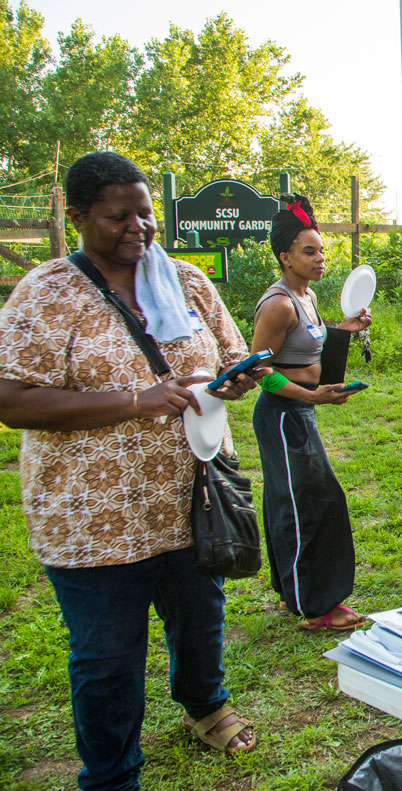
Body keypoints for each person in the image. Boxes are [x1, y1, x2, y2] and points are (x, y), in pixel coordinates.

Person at [0, 151, 260, 788]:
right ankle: (113, 776)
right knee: (107, 656)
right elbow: (11, 399)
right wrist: (135, 401)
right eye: (118, 218)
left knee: (200, 621)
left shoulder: (188, 281)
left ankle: (205, 706)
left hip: (191, 495)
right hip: (94, 520)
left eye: (145, 214)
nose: (137, 229)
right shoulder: (49, 292)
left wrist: (235, 379)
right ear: (80, 216)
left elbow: (228, 357)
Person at [250, 195, 372, 631]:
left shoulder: (308, 296)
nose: (320, 258)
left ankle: (294, 593)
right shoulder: (279, 304)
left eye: (321, 250)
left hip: (299, 412)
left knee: (292, 501)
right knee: (309, 504)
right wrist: (309, 398)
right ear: (285, 257)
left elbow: (308, 352)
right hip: (283, 414)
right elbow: (259, 372)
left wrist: (344, 331)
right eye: (309, 251)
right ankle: (317, 607)